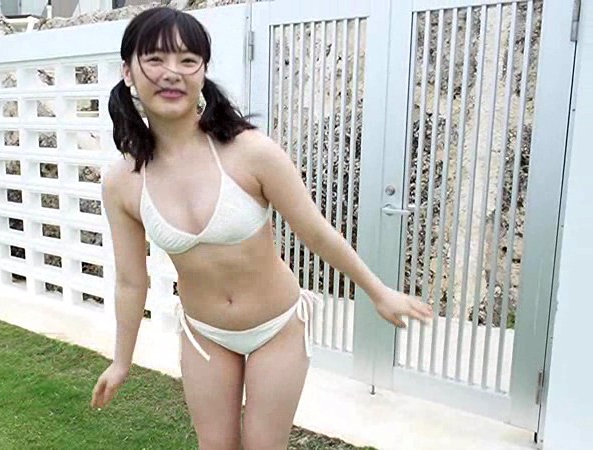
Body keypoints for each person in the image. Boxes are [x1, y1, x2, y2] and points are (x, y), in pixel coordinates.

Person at [90, 7, 432, 450]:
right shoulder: (122, 181)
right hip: (204, 331)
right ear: (128, 72)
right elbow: (130, 281)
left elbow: (317, 232)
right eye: (155, 59)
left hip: (277, 327)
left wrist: (379, 292)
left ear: (203, 73)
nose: (172, 72)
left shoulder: (251, 153)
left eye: (188, 60)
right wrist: (121, 362)